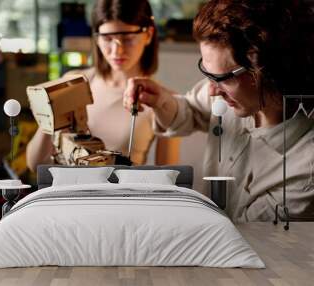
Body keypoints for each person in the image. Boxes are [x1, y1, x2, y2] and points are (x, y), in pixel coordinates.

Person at [123, 0, 314, 222]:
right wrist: (161, 100)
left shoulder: (305, 170)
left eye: (222, 78)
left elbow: (246, 238)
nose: (212, 90)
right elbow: (193, 109)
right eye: (206, 71)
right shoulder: (237, 95)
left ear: (269, 70)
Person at [26, 0, 180, 171]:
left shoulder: (165, 102)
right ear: (96, 38)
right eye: (107, 38)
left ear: (149, 34)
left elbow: (168, 179)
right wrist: (50, 113)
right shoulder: (72, 83)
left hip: (121, 197)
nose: (117, 51)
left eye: (128, 39)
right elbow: (35, 164)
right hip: (70, 194)